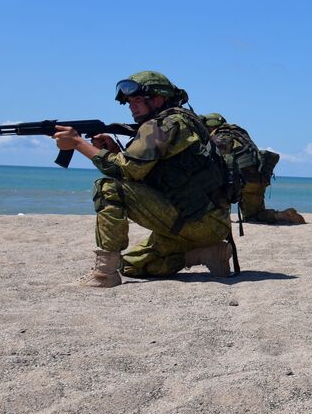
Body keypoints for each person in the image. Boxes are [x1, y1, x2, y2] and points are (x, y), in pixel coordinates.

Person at [53, 72, 234, 287]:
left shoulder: (164, 124)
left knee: (108, 188)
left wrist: (77, 143)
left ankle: (104, 274)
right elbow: (149, 171)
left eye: (137, 100)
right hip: (211, 224)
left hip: (194, 220)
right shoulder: (183, 121)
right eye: (129, 102)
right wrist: (114, 150)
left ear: (158, 98)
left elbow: (124, 169)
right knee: (131, 266)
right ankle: (205, 254)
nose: (132, 106)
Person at [201, 113, 306, 225]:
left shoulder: (219, 138)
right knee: (255, 216)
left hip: (242, 181)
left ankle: (221, 216)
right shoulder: (240, 134)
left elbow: (221, 165)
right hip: (258, 178)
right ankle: (281, 215)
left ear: (210, 126)